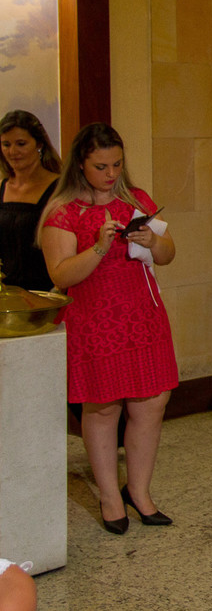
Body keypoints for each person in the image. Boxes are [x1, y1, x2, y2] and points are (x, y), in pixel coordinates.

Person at [40, 123, 178, 534]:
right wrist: (99, 246)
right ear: (81, 165)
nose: (111, 173)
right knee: (102, 407)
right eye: (101, 166)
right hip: (95, 320)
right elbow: (61, 275)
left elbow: (168, 254)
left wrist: (153, 242)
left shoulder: (136, 200)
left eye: (117, 164)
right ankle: (109, 497)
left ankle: (139, 491)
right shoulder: (63, 212)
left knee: (151, 404)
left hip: (143, 316)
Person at [0, 110, 61, 290]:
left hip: (45, 293)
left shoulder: (59, 188)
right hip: (7, 295)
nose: (13, 152)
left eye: (21, 144)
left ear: (39, 144)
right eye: (6, 144)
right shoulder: (2, 187)